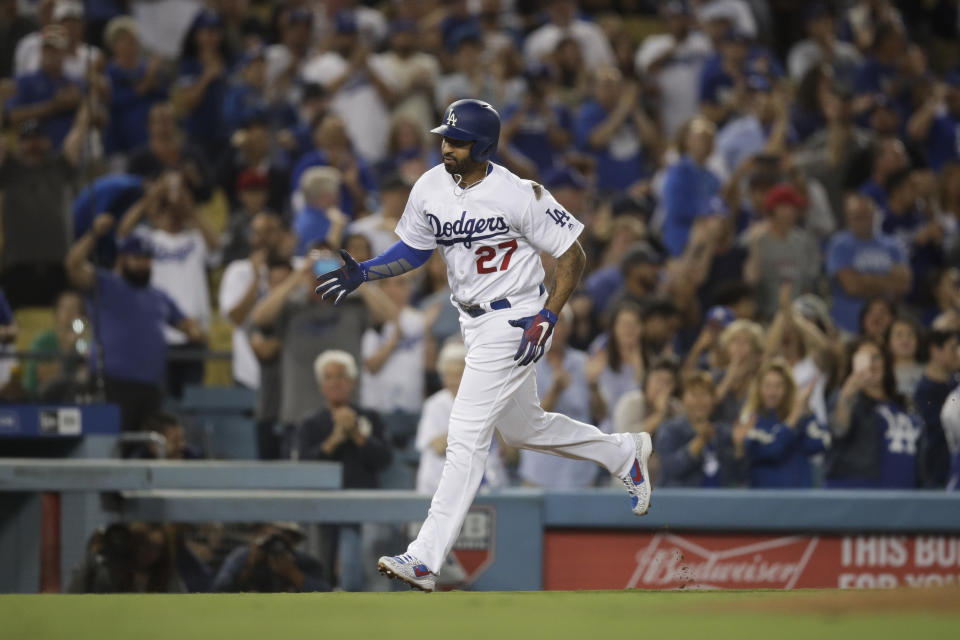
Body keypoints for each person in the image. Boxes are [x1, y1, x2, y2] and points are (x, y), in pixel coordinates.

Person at [315, 99, 652, 592]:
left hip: (516, 317)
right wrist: (366, 271)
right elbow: (414, 246)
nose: (446, 147)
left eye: (457, 141)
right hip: (472, 323)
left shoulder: (519, 192)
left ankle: (424, 557)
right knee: (522, 428)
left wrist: (548, 315)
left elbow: (572, 253)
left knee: (466, 436)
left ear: (485, 146)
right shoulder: (430, 186)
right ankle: (623, 452)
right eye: (445, 138)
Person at [64, 216, 205, 431]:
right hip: (112, 384)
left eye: (147, 258)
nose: (143, 263)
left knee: (147, 449)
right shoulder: (106, 283)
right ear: (122, 259)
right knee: (111, 447)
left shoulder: (159, 296)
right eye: (137, 257)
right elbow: (73, 265)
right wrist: (94, 233)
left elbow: (187, 325)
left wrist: (195, 331)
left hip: (151, 387)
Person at [297, 350, 392, 591]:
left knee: (369, 571)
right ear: (321, 385)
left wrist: (357, 435)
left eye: (341, 376)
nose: (335, 382)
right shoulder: (310, 423)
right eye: (329, 377)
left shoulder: (370, 417)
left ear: (351, 383)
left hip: (366, 504)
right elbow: (304, 465)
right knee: (322, 568)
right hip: (323, 505)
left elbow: (384, 459)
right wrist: (335, 439)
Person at [0, 108, 88, 307]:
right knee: (11, 324)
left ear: (47, 141)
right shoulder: (9, 169)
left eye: (37, 138)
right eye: (28, 139)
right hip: (17, 266)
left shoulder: (60, 166)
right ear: (20, 143)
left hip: (59, 264)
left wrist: (86, 100)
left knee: (69, 317)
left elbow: (78, 134)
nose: (33, 143)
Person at [520, 306, 606, 489]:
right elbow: (530, 419)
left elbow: (601, 413)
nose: (555, 330)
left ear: (570, 328)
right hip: (539, 469)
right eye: (551, 325)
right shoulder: (527, 362)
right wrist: (555, 391)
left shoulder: (584, 362)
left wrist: (594, 387)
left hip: (579, 468)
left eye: (561, 325)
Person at [827, 339, 921, 488]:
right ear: (853, 364)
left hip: (905, 496)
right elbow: (838, 429)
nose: (871, 363)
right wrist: (847, 396)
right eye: (864, 358)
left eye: (876, 357)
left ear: (886, 363)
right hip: (860, 494)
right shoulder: (844, 397)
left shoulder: (903, 403)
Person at [416, 341, 506, 495]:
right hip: (440, 488)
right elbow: (437, 447)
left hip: (487, 486)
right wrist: (477, 421)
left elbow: (509, 453)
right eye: (447, 375)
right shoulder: (435, 405)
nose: (452, 381)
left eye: (458, 375)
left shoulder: (489, 401)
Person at [734, 359, 830, 488]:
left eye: (778, 386)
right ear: (759, 388)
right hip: (765, 501)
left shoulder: (800, 420)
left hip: (800, 501)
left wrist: (806, 408)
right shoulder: (750, 421)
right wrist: (794, 415)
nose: (772, 392)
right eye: (767, 386)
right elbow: (772, 450)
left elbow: (821, 443)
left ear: (787, 389)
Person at [826, 193, 912, 335]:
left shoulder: (892, 244)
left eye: (866, 215)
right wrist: (887, 281)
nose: (862, 221)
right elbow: (852, 287)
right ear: (848, 218)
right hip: (848, 325)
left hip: (887, 329)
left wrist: (865, 280)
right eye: (856, 217)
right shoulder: (840, 245)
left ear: (874, 215)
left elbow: (903, 285)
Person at [218, 212, 284, 391]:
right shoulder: (237, 271)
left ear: (282, 234)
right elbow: (236, 318)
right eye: (258, 232)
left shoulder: (296, 269)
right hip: (247, 374)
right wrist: (255, 278)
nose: (263, 238)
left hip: (288, 375)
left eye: (270, 231)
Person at [655, 370, 742, 487]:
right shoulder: (669, 430)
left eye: (704, 394)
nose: (699, 400)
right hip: (680, 501)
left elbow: (736, 476)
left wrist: (739, 447)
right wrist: (700, 441)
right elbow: (672, 468)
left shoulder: (722, 433)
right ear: (683, 399)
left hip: (717, 501)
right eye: (694, 395)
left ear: (713, 399)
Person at [211, 523, 329, 593]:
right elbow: (218, 589)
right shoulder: (242, 556)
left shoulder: (304, 562)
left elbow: (327, 593)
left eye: (288, 537)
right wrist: (249, 566)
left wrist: (293, 574)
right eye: (273, 536)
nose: (277, 543)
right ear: (261, 532)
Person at [913, 329, 960, 488]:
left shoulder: (955, 386)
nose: (958, 353)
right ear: (935, 351)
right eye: (953, 348)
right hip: (935, 473)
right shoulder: (924, 391)